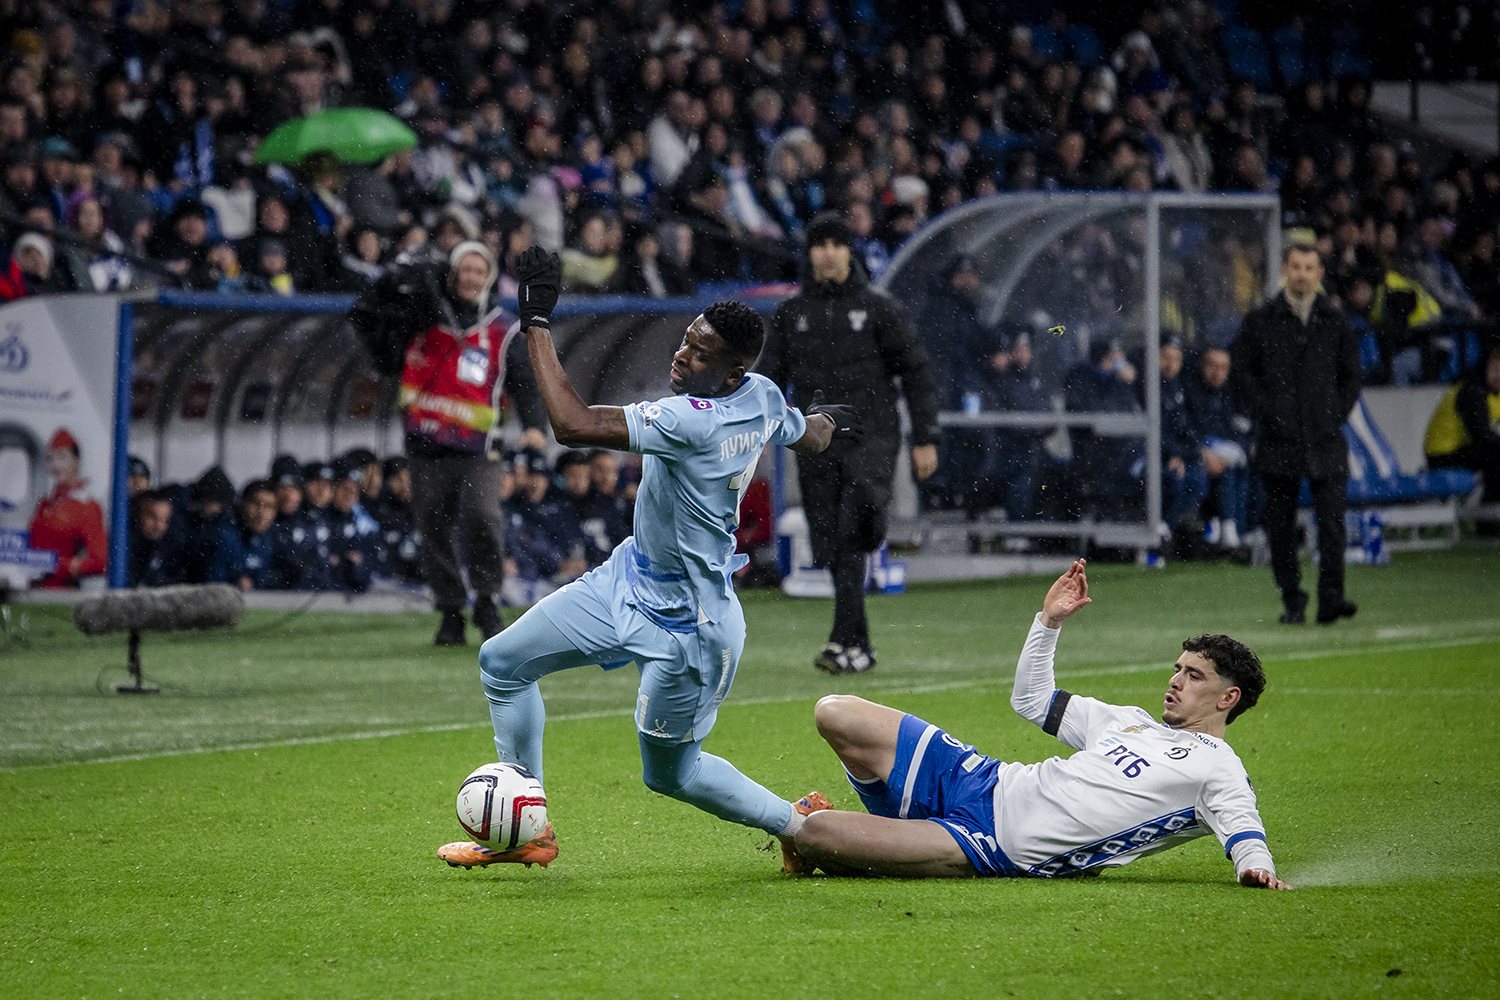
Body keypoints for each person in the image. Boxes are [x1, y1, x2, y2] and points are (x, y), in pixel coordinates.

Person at [436, 248, 858, 870]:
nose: (682, 356)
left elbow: (572, 425)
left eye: (700, 354)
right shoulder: (764, 396)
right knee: (502, 662)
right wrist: (829, 425)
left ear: (732, 374)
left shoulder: (691, 421)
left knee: (670, 775)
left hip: (690, 627)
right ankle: (528, 828)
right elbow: (807, 431)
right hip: (627, 580)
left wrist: (537, 323)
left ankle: (801, 825)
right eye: (686, 340)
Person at [778, 560, 1287, 889]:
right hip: (983, 778)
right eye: (1178, 668)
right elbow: (1032, 699)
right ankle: (890, 832)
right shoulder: (1128, 721)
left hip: (991, 843)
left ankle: (876, 840)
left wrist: (1255, 869)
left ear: (1228, 698)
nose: (1175, 680)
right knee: (834, 710)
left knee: (812, 831)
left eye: (1193, 676)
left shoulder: (1218, 766)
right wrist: (1049, 622)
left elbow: (1244, 828)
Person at [760, 211, 941, 675]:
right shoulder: (791, 314)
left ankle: (843, 639)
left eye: (837, 244)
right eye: (820, 244)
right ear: (810, 254)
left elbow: (916, 372)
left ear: (849, 252)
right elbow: (768, 380)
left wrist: (926, 437)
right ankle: (856, 646)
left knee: (853, 522)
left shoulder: (879, 308)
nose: (828, 253)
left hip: (871, 435)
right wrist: (743, 426)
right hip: (815, 440)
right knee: (833, 540)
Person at [349, 238, 545, 645]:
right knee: (433, 528)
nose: (471, 278)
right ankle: (451, 609)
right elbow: (379, 343)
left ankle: (487, 601)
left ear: (489, 277)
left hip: (479, 447)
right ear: (451, 275)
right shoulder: (420, 320)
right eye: (465, 270)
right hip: (425, 444)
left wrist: (534, 427)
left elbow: (525, 383)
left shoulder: (504, 329)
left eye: (479, 271)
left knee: (483, 518)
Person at [1232, 244, 1361, 625]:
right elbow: (1242, 374)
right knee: (1280, 528)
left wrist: (1333, 414)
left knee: (1333, 525)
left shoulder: (1334, 321)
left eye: (1309, 267)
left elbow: (1352, 376)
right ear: (1285, 271)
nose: (1302, 274)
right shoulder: (1261, 321)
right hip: (1278, 439)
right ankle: (1293, 599)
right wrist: (1268, 413)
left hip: (1325, 437)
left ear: (1319, 274)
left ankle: (1331, 599)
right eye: (1296, 266)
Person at [28, 428, 108, 588]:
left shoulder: (86, 506)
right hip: (32, 590)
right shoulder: (45, 503)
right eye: (51, 458)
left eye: (62, 457)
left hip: (61, 593)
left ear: (76, 462)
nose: (55, 465)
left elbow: (100, 561)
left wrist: (55, 564)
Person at [1424, 340, 1500, 508]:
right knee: (1495, 455)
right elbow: (1481, 434)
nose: (1498, 376)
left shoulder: (1494, 393)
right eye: (1495, 369)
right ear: (1485, 365)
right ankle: (1490, 514)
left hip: (1463, 451)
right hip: (1442, 457)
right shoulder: (1472, 391)